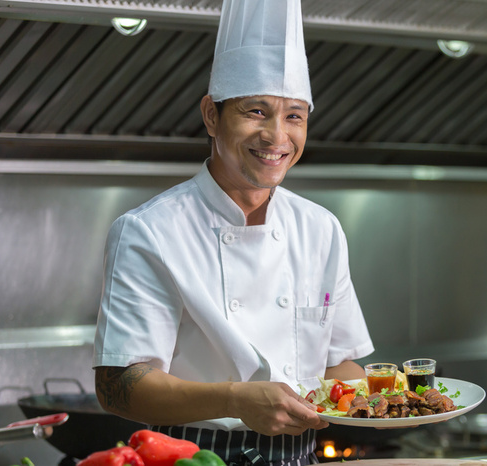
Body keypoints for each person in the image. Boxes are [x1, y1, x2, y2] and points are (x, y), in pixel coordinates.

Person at [91, 0, 374, 464]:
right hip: (193, 456)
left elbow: (340, 364)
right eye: (256, 111)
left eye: (294, 116)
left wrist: (390, 399)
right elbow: (118, 387)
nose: (277, 137)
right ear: (211, 115)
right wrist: (235, 400)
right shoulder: (149, 231)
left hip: (302, 456)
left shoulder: (321, 229)